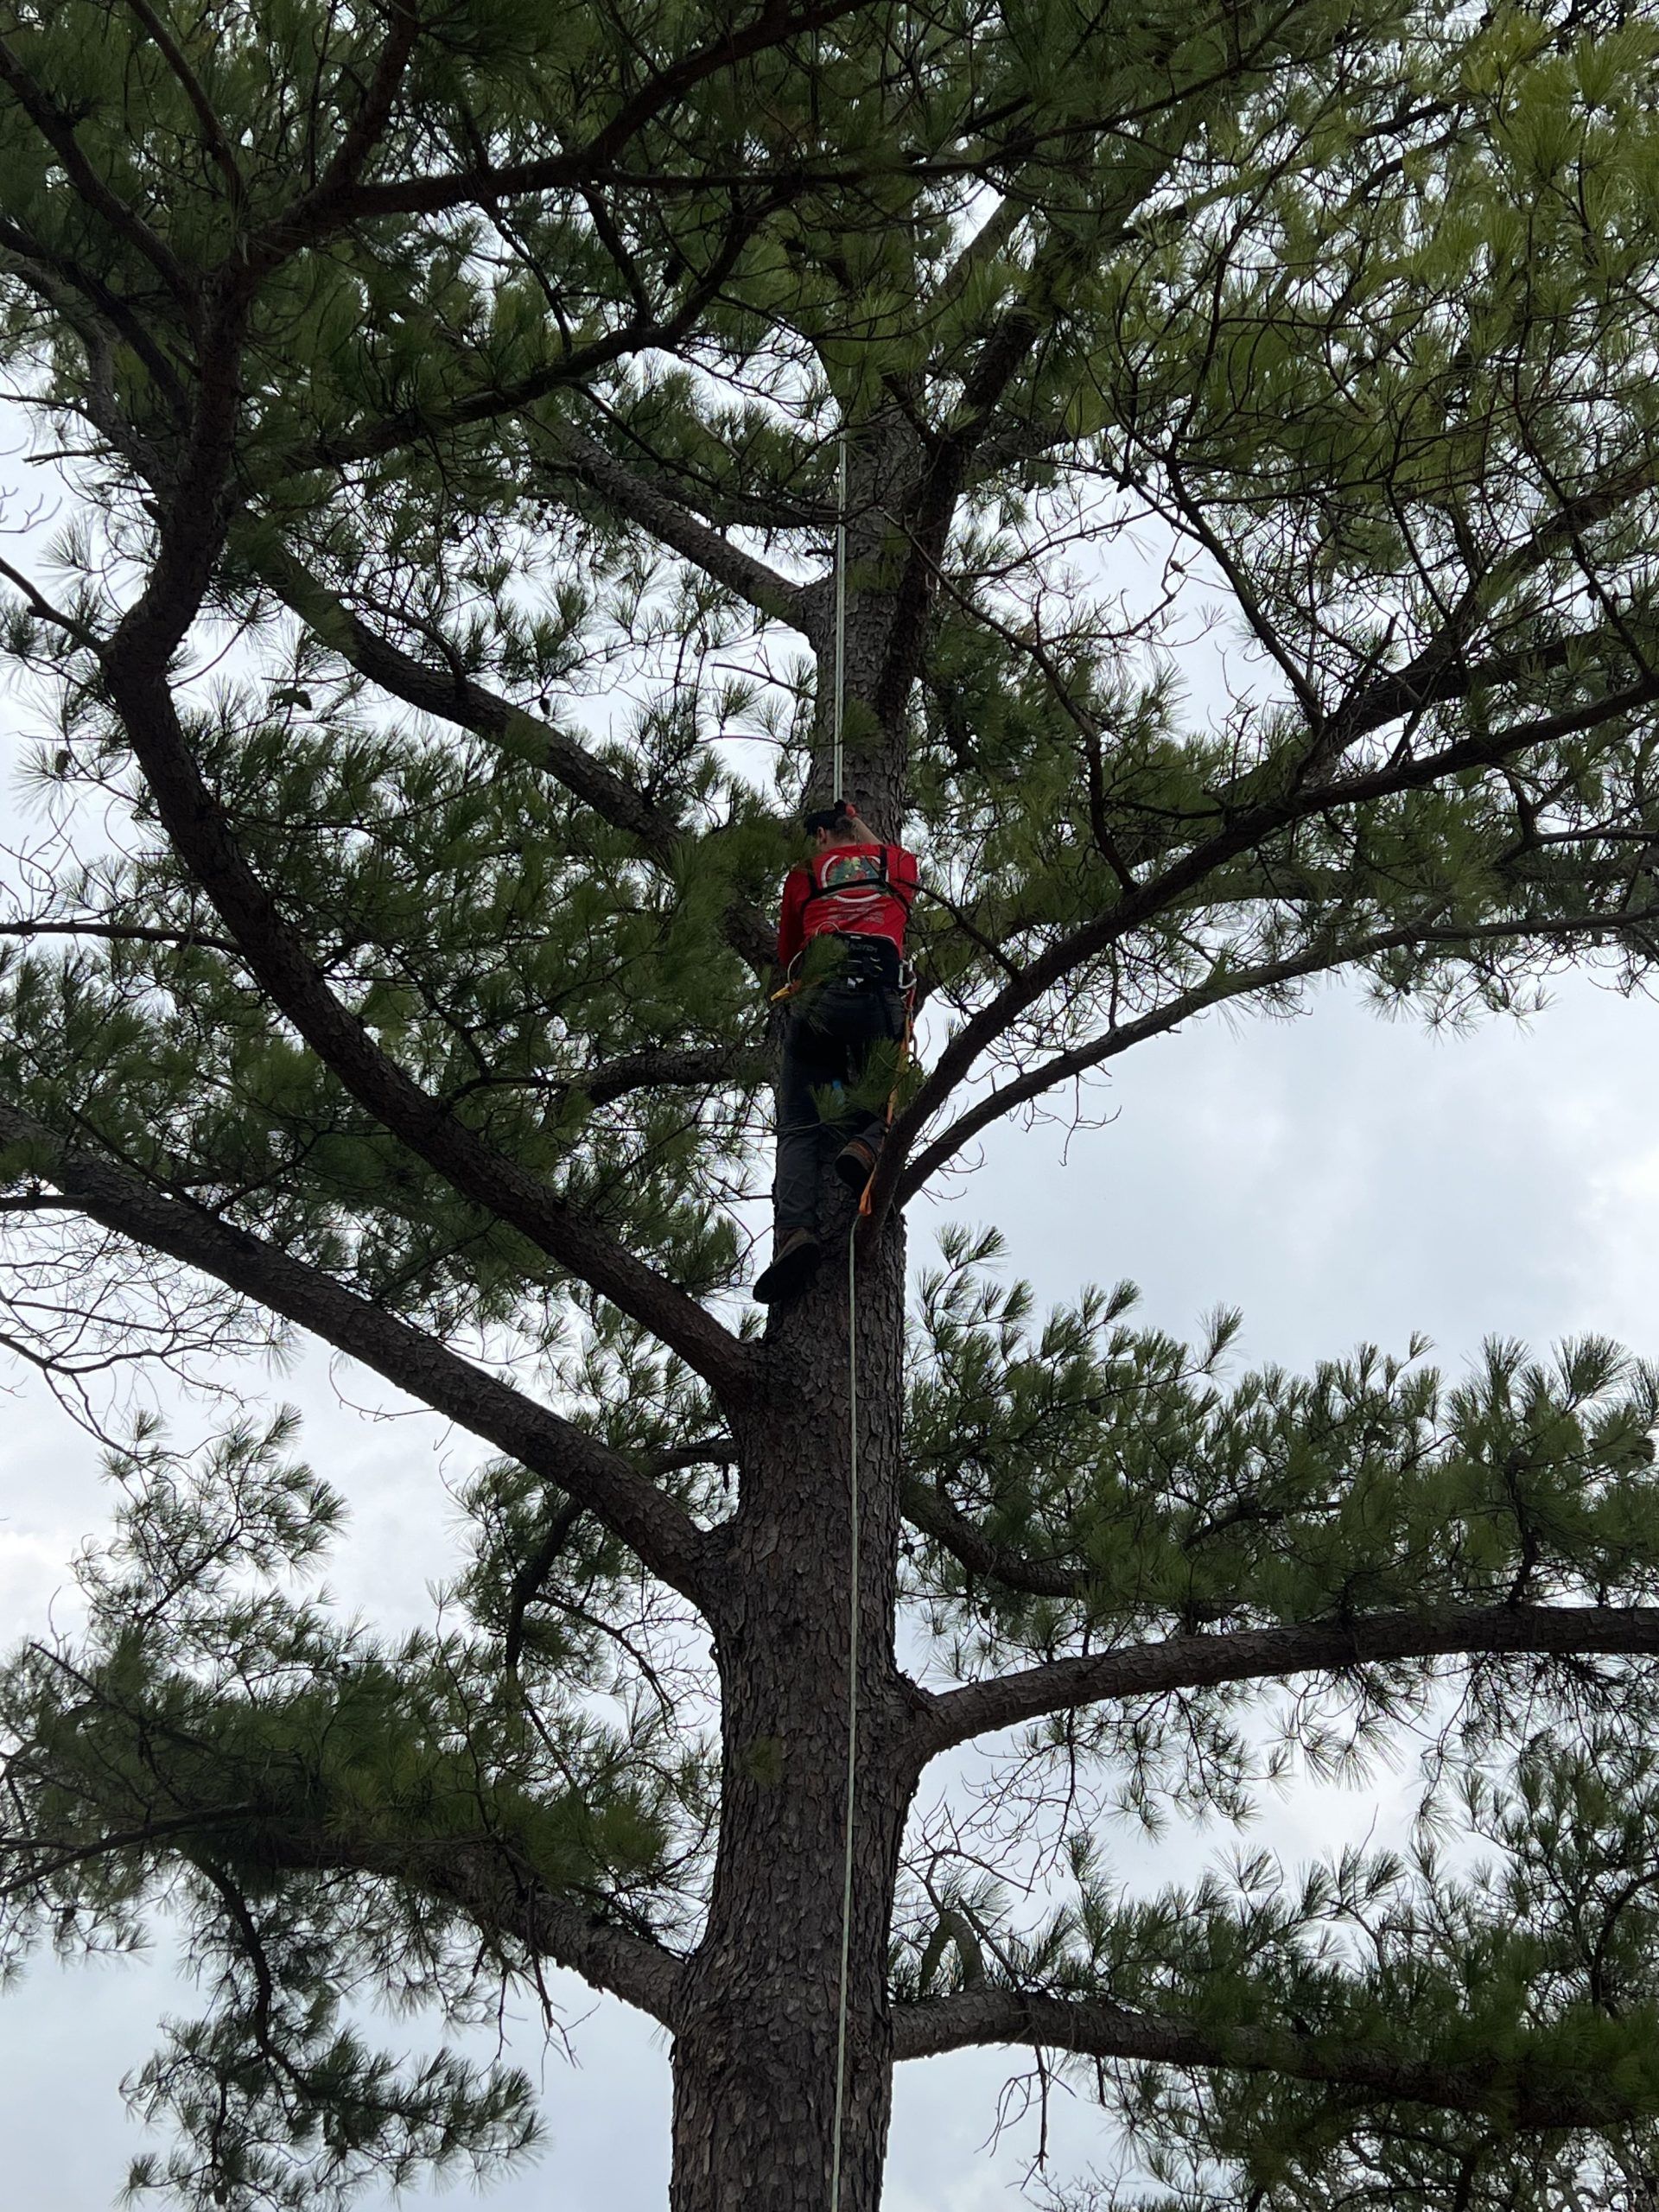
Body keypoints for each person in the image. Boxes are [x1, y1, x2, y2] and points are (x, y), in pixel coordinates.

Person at [753, 798, 919, 1305]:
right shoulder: (896, 865)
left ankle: (795, 1234)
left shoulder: (804, 875)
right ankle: (867, 1144)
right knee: (894, 1093)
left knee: (801, 1123)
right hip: (877, 997)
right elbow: (890, 859)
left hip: (820, 1002)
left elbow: (788, 954)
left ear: (822, 836)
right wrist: (854, 821)